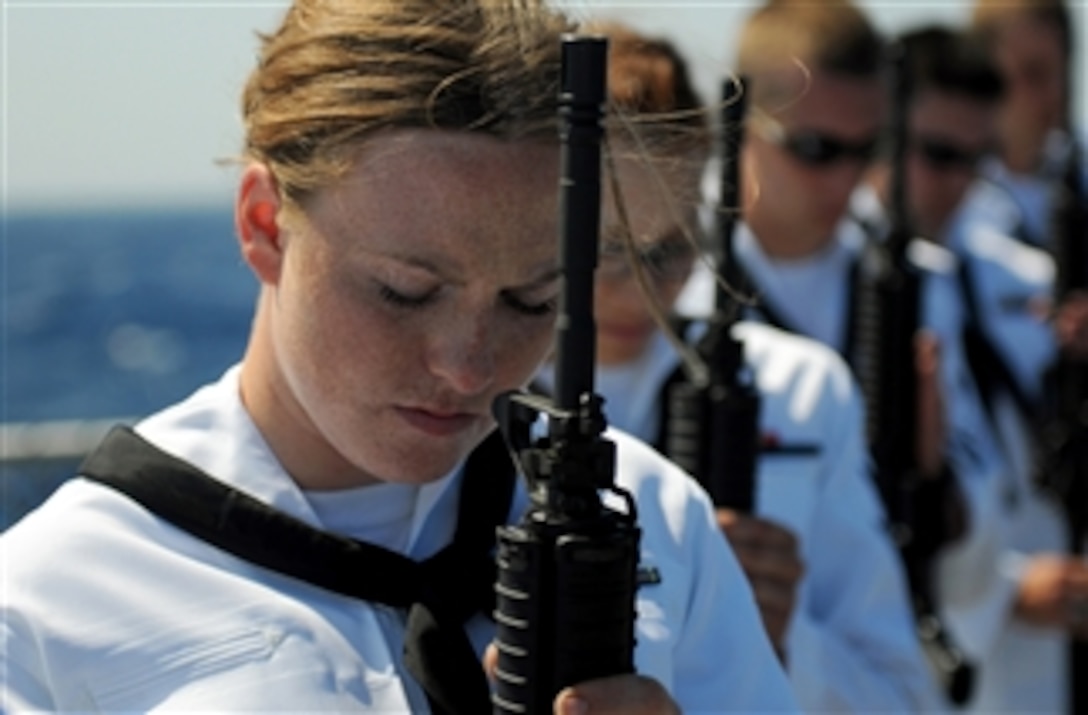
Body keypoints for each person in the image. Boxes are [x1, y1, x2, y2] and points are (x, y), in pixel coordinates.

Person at [0, 2, 801, 713]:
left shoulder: (656, 515)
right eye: (403, 291)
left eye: (532, 300)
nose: (468, 367)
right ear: (265, 223)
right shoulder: (45, 605)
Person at [534, 22, 943, 712]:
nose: (639, 290)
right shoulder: (467, 397)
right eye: (606, 252)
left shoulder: (796, 390)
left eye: (670, 250)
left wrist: (776, 638)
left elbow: (902, 693)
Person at [686, 0, 1016, 703]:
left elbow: (981, 528)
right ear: (739, 123)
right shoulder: (669, 281)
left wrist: (937, 485)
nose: (844, 181)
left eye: (868, 150)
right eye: (815, 150)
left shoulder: (915, 286)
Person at [852, 24, 1088, 713]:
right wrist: (1008, 587)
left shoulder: (1021, 278)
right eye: (937, 154)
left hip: (1046, 636)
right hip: (929, 635)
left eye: (975, 158)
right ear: (885, 136)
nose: (956, 181)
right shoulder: (848, 288)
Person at [969, 0, 1087, 249]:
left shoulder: (1080, 170)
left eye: (1061, 71)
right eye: (1033, 74)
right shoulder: (951, 193)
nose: (1055, 92)